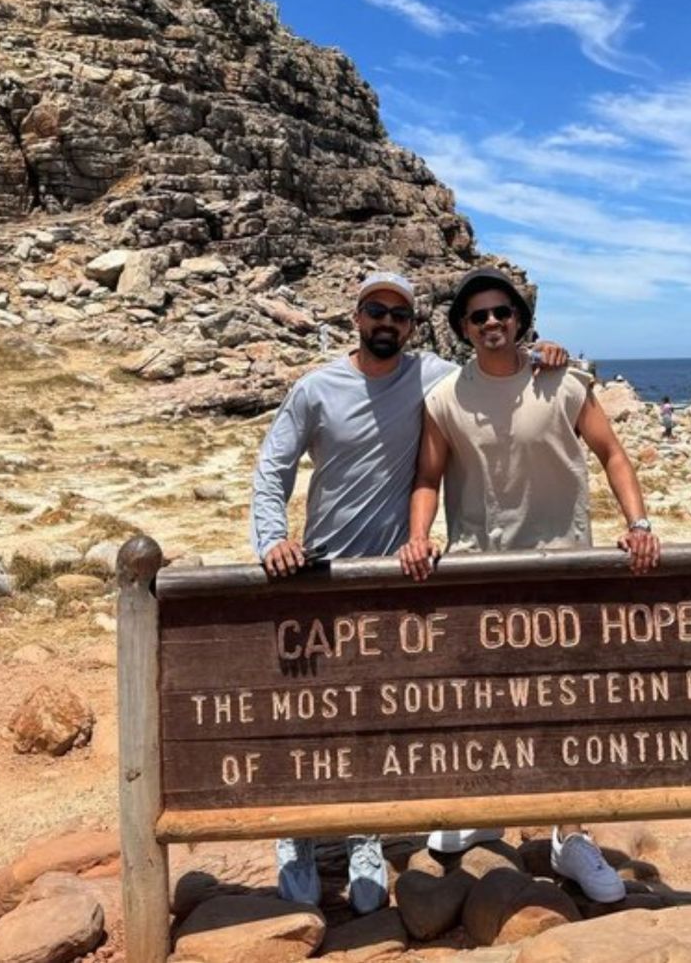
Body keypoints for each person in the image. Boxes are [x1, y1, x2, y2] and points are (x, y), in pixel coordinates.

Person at [251, 270, 569, 912]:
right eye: (377, 311)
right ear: (357, 316)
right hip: (318, 573)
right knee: (308, 710)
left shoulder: (428, 377)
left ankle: (365, 832)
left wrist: (541, 354)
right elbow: (272, 469)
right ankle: (299, 835)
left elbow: (492, 361)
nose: (387, 323)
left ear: (414, 327)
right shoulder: (316, 389)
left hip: (395, 579)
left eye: (400, 315)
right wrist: (270, 540)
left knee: (370, 711)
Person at [396, 267, 662, 905]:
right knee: (486, 698)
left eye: (502, 313)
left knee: (570, 704)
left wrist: (640, 522)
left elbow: (613, 456)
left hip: (564, 566)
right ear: (463, 327)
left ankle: (572, 837)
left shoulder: (564, 382)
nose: (492, 324)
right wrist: (417, 536)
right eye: (479, 316)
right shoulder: (443, 400)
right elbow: (428, 478)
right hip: (481, 568)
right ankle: (486, 810)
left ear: (520, 320)